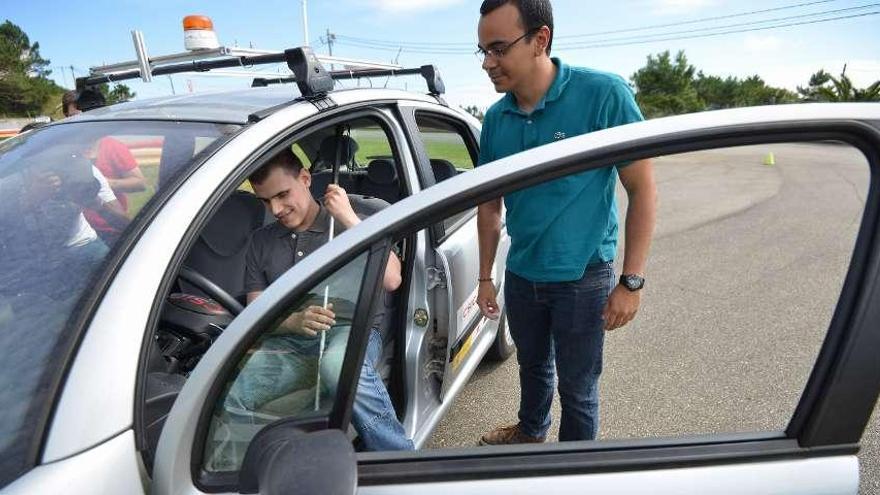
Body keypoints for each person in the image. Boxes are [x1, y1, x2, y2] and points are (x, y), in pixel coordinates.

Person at [474, 0, 658, 445]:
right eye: (481, 51)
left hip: (583, 276)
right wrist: (485, 277)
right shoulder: (497, 118)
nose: (487, 63)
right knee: (532, 366)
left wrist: (631, 281)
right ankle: (532, 431)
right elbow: (488, 206)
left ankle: (575, 469)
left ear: (541, 40)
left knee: (577, 388)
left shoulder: (603, 96)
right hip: (522, 272)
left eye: (498, 48)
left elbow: (643, 189)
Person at [231, 148, 414, 451]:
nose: (275, 209)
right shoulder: (260, 241)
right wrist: (293, 321)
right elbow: (256, 308)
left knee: (335, 366)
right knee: (228, 390)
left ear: (305, 178)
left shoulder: (356, 220)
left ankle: (401, 458)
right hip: (290, 339)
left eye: (282, 195)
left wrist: (348, 219)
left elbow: (392, 278)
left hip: (352, 332)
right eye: (265, 200)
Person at [63, 90, 146, 244]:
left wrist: (98, 183)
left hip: (111, 229)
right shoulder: (62, 152)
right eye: (74, 116)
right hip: (75, 236)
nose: (80, 121)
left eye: (85, 115)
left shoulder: (112, 146)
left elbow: (140, 183)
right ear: (66, 117)